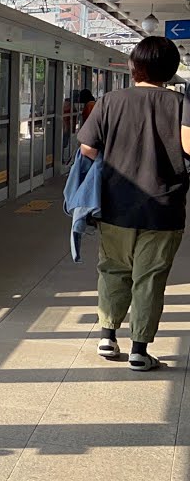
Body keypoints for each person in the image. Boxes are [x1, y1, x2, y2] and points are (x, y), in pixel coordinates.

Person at [78, 36, 190, 371]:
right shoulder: (181, 104)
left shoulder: (110, 101)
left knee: (113, 269)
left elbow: (87, 149)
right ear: (170, 70)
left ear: (133, 66)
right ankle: (139, 350)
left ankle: (107, 337)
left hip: (116, 204)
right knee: (150, 277)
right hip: (164, 207)